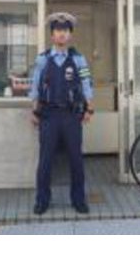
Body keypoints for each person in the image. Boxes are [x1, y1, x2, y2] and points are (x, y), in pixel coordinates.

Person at [28, 11, 95, 215]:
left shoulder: (79, 59)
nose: (62, 34)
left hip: (71, 116)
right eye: (58, 30)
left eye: (65, 30)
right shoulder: (42, 59)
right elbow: (35, 86)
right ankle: (42, 200)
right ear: (52, 35)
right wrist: (34, 111)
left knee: (76, 159)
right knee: (46, 160)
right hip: (48, 115)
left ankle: (78, 200)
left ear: (70, 35)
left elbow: (86, 84)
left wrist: (89, 108)